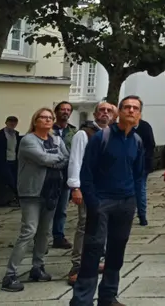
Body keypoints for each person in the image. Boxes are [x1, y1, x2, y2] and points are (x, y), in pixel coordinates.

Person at [69, 96, 145, 306]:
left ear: (139, 114)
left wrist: (135, 201)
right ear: (118, 112)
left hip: (126, 203)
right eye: (127, 107)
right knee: (93, 252)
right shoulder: (101, 138)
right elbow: (87, 173)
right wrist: (94, 203)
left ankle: (108, 296)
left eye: (135, 108)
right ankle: (81, 300)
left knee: (116, 251)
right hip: (102, 202)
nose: (131, 110)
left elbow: (138, 174)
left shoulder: (137, 142)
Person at [2, 108, 69, 292]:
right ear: (36, 120)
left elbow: (66, 158)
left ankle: (37, 267)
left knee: (44, 232)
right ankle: (10, 275)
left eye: (50, 118)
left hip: (52, 191)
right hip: (32, 192)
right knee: (29, 231)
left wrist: (55, 159)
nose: (47, 120)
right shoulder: (28, 140)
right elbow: (42, 158)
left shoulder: (56, 139)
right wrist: (57, 159)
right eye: (44, 117)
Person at [66, 102, 114, 286]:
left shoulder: (112, 133)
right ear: (95, 114)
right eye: (102, 110)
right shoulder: (83, 134)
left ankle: (94, 259)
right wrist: (75, 187)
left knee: (102, 225)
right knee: (85, 224)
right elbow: (75, 160)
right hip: (89, 187)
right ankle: (77, 265)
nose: (105, 113)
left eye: (109, 111)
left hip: (108, 188)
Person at [52, 101, 77, 249]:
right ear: (56, 112)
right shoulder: (48, 129)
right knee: (47, 208)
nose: (65, 112)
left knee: (62, 208)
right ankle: (40, 236)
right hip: (49, 174)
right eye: (62, 109)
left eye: (68, 110)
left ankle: (58, 236)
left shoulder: (74, 132)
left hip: (66, 175)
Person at [0, 116, 21, 201]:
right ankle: (18, 198)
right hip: (4, 163)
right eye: (10, 122)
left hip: (14, 162)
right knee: (10, 181)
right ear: (6, 123)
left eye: (14, 122)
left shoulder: (16, 135)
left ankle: (14, 199)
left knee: (16, 180)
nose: (12, 124)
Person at [134, 117, 156, 226]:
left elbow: (151, 144)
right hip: (126, 164)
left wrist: (144, 160)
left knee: (140, 189)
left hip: (142, 164)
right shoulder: (123, 127)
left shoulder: (145, 126)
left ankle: (142, 215)